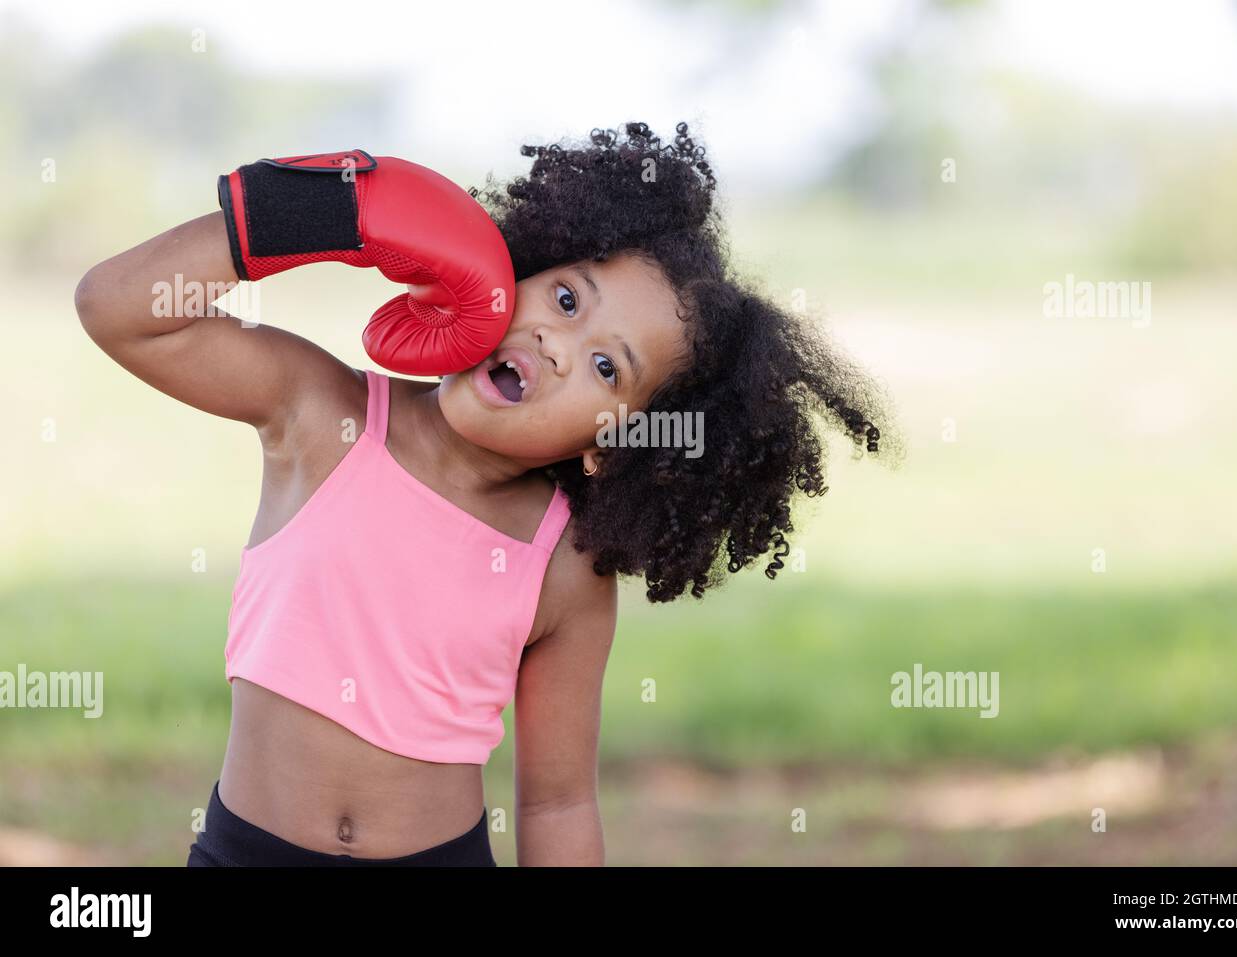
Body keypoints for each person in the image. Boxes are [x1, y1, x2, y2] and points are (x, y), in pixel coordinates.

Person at [74, 120, 895, 867]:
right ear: (520, 269)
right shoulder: (323, 411)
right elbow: (119, 309)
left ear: (618, 446)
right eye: (567, 299)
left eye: (609, 368)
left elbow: (559, 800)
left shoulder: (566, 563)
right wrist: (311, 213)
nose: (558, 344)